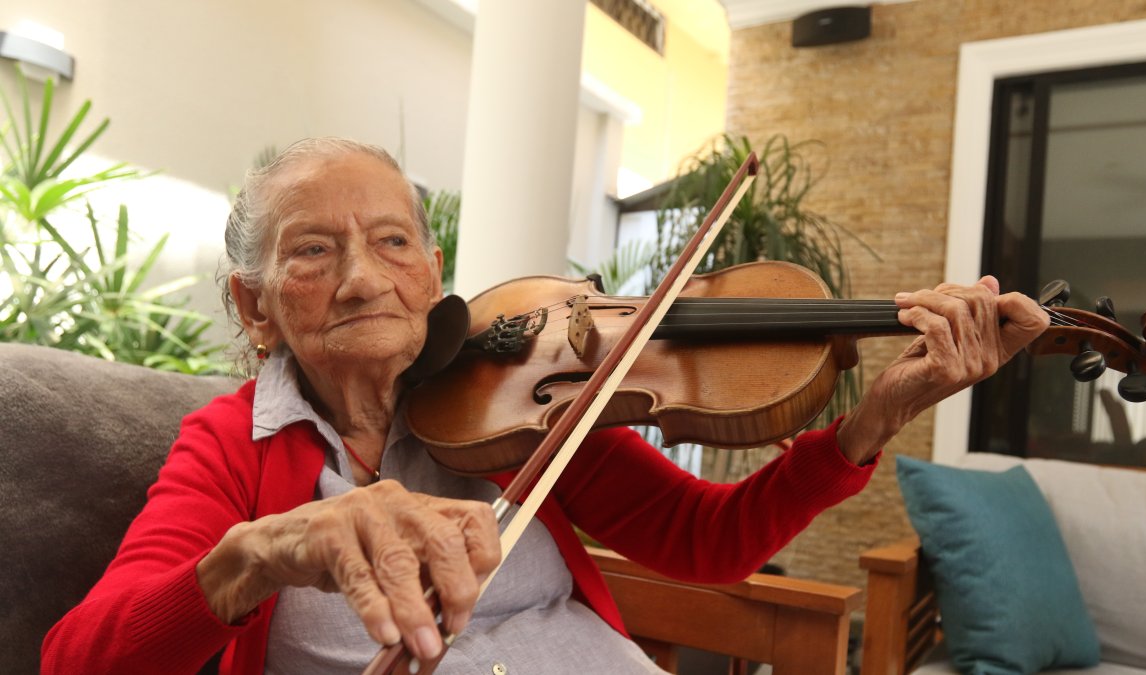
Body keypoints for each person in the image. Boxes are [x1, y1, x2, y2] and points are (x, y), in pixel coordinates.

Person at [41, 138, 1049, 675]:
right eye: (313, 250)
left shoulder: (507, 399)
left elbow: (711, 544)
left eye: (394, 241)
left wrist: (875, 419)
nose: (362, 279)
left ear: (434, 268)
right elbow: (81, 661)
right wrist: (266, 549)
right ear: (255, 308)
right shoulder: (231, 447)